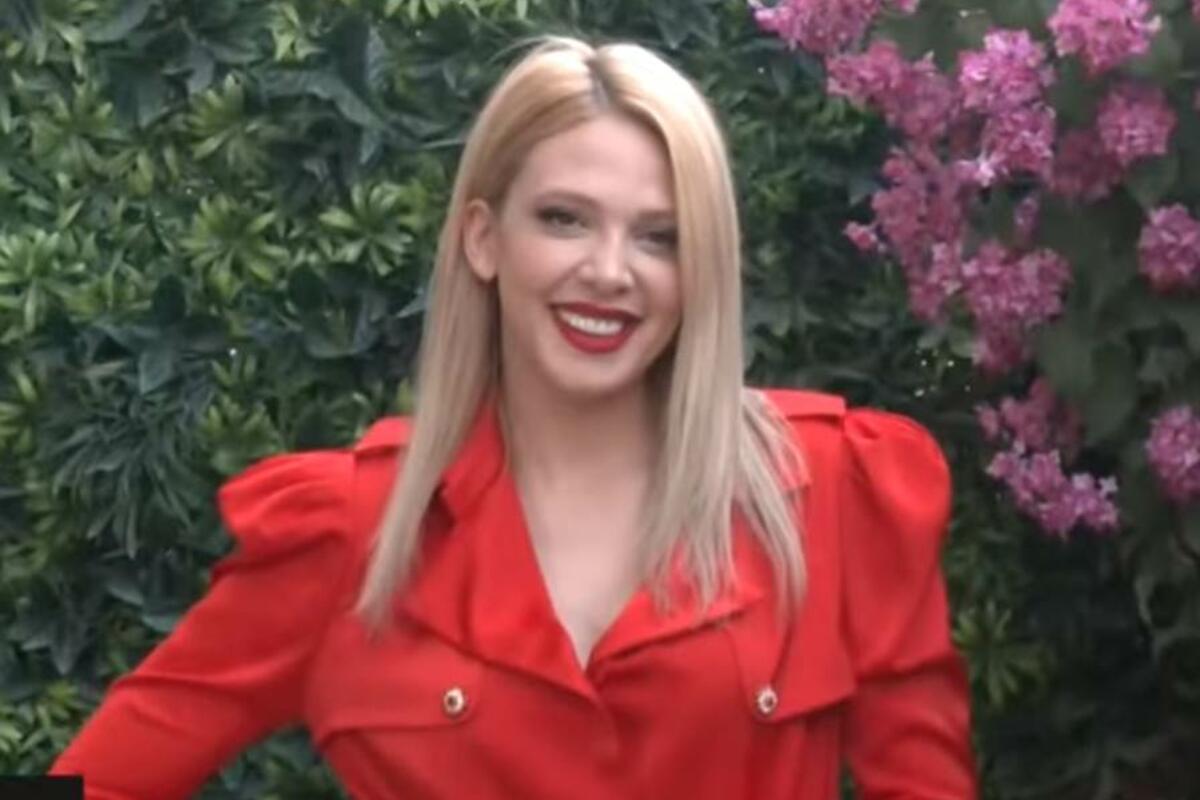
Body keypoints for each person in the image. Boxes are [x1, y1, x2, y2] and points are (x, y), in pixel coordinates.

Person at [50, 36, 977, 799]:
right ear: (485, 239)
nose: (609, 272)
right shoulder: (350, 532)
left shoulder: (829, 490)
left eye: (660, 237)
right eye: (565, 220)